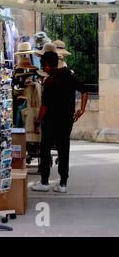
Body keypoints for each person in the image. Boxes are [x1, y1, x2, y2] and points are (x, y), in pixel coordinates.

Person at [31, 51, 88, 193]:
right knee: (64, 150)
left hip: (50, 121)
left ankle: (44, 182)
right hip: (66, 121)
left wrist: (38, 121)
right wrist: (81, 110)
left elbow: (45, 106)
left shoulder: (49, 81)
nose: (43, 68)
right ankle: (63, 184)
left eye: (43, 65)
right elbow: (85, 90)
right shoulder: (69, 75)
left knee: (45, 149)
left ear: (48, 65)